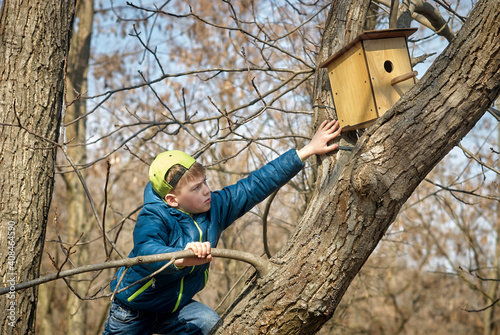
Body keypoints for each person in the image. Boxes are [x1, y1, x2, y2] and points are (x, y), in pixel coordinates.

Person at [103, 120, 342, 335]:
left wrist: (307, 151)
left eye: (204, 182)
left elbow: (254, 185)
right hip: (133, 311)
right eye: (195, 188)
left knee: (209, 323)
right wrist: (181, 258)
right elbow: (146, 250)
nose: (206, 190)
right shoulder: (154, 215)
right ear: (172, 200)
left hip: (175, 309)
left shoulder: (215, 207)